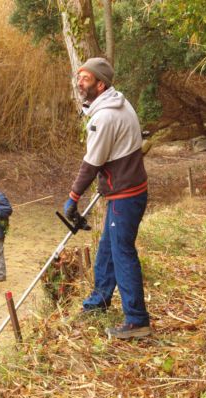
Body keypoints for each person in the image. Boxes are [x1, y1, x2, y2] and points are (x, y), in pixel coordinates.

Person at [64, 57, 150, 339]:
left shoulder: (105, 117)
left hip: (126, 196)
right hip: (127, 191)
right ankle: (99, 300)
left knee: (122, 253)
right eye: (79, 77)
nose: (80, 83)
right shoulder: (117, 103)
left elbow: (92, 163)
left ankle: (136, 320)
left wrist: (73, 198)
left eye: (86, 79)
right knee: (108, 248)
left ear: (101, 84)